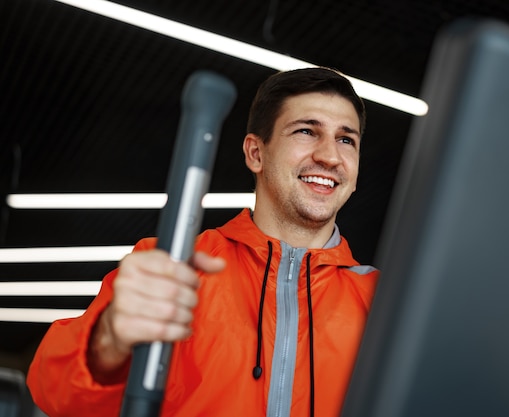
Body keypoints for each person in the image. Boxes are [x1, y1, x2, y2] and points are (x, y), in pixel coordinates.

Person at [27, 67, 379, 417]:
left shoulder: (385, 303)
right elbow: (54, 393)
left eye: (346, 139)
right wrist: (108, 342)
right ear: (255, 153)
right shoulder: (172, 267)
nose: (330, 156)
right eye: (306, 131)